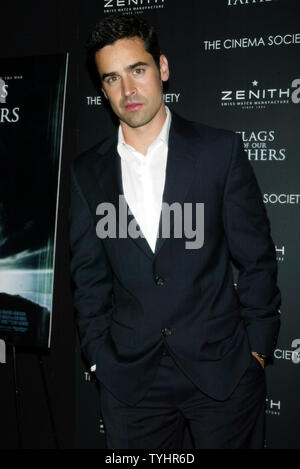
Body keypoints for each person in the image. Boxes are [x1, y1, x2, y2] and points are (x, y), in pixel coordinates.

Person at [69, 14, 281, 449]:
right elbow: (88, 279)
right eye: (112, 79)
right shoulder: (86, 173)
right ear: (102, 88)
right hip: (130, 383)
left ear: (162, 68)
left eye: (138, 70)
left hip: (222, 373)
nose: (127, 91)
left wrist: (256, 352)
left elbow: (257, 259)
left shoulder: (219, 152)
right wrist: (98, 360)